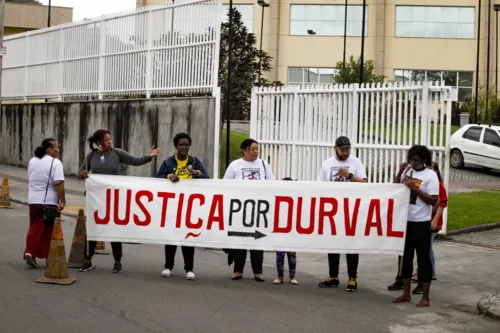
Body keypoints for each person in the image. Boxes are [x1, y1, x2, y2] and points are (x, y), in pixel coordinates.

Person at [79, 129, 161, 273]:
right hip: (96, 199)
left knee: (114, 229)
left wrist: (148, 157)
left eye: (110, 139)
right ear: (99, 143)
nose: (110, 142)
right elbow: (81, 171)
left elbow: (135, 161)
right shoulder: (91, 156)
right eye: (107, 140)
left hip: (113, 199)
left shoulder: (117, 153)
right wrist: (84, 173)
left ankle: (117, 261)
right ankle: (87, 259)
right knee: (93, 229)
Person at [387, 162, 447, 294]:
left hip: (425, 222)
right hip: (409, 220)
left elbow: (439, 203)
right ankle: (402, 278)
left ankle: (423, 280)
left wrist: (434, 220)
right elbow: (395, 188)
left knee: (424, 252)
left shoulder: (435, 183)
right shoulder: (411, 177)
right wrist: (401, 173)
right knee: (404, 253)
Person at [317, 136, 367, 292]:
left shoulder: (355, 162)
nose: (345, 153)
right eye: (342, 149)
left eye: (347, 149)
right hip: (333, 210)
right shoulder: (327, 164)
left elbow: (365, 183)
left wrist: (349, 176)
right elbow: (319, 186)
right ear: (335, 148)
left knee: (351, 244)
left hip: (351, 209)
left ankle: (352, 278)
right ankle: (333, 276)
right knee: (333, 244)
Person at [156, 133, 209, 280]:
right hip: (172, 206)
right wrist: (168, 177)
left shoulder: (195, 162)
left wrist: (198, 173)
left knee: (188, 237)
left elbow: (207, 178)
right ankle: (168, 267)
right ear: (176, 146)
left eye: (187, 145)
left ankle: (189, 269)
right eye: (181, 145)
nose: (184, 147)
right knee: (171, 237)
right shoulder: (168, 163)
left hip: (190, 207)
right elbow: (157, 178)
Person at [392, 145, 439, 307]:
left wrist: (415, 189)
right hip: (406, 221)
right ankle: (406, 293)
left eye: (416, 160)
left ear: (424, 160)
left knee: (423, 259)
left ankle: (425, 297)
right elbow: (394, 187)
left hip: (421, 223)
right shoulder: (408, 171)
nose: (412, 162)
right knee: (406, 258)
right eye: (410, 159)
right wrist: (400, 172)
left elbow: (434, 201)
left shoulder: (430, 175)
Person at [223, 138, 275, 281]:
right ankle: (237, 270)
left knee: (258, 239)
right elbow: (225, 185)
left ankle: (258, 271)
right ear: (244, 150)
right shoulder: (235, 165)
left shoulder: (264, 164)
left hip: (259, 208)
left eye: (257, 149)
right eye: (252, 149)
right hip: (240, 208)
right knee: (240, 238)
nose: (256, 152)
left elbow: (272, 183)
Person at [24, 138, 66, 268]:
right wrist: (63, 200)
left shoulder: (33, 160)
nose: (58, 150)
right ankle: (31, 251)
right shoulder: (55, 163)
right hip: (48, 202)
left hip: (33, 200)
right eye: (56, 147)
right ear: (49, 149)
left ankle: (36, 254)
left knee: (35, 226)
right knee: (48, 231)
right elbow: (58, 183)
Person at [411, 162, 447, 294]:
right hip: (427, 220)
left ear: (436, 171)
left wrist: (435, 220)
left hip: (432, 221)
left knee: (426, 247)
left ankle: (428, 272)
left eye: (432, 169)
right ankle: (429, 272)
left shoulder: (439, 186)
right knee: (427, 246)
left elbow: (442, 204)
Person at [273, 177, 298, 285]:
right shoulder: (277, 197)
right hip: (280, 230)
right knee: (280, 255)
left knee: (292, 255)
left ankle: (292, 276)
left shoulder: (296, 198)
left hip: (292, 231)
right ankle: (280, 276)